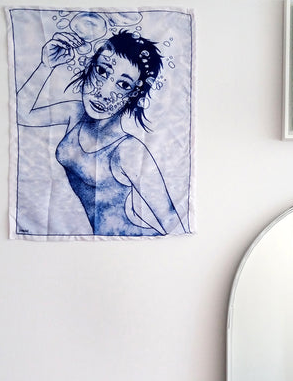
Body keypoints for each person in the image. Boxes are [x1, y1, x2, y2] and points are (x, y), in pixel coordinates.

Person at [17, 29, 186, 236]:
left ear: (134, 94)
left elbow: (170, 220)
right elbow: (22, 115)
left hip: (127, 241)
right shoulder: (75, 112)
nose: (104, 93)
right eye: (102, 71)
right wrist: (46, 65)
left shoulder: (128, 150)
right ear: (90, 67)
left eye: (123, 84)